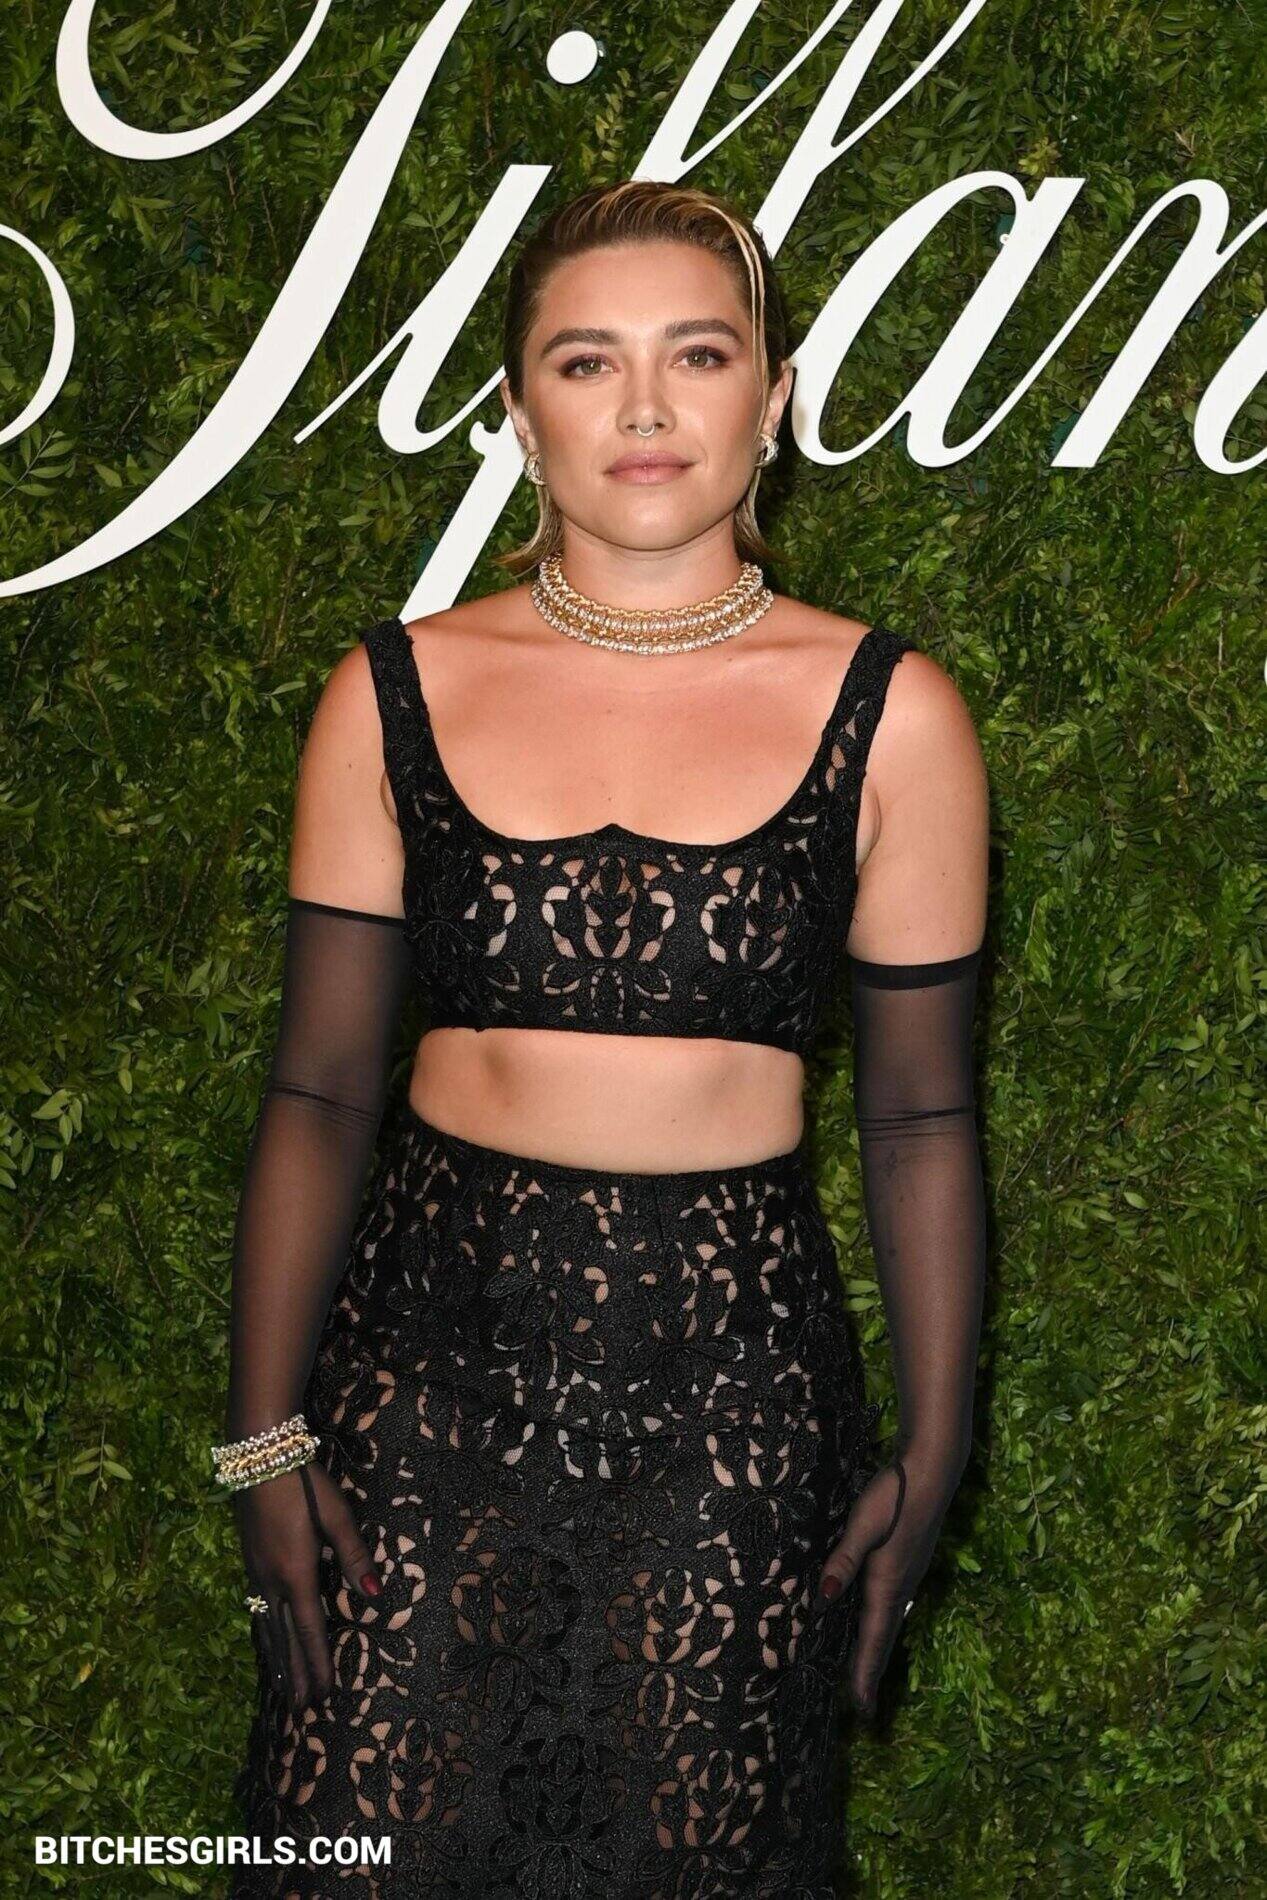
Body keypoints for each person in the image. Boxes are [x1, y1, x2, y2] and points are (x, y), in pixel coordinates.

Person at [220, 179, 988, 1899]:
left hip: (737, 1408)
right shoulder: (389, 690)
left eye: (697, 355)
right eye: (587, 362)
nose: (645, 406)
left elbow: (924, 1121)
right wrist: (263, 1432)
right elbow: (321, 1089)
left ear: (772, 399)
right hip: (421, 1387)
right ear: (519, 414)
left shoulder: (897, 717)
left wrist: (937, 1450)